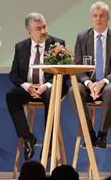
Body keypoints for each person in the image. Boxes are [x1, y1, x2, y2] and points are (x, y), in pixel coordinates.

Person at [68, 1, 111, 149]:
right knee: (73, 90)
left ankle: (102, 135)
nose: (98, 19)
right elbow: (78, 66)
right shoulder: (83, 36)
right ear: (91, 18)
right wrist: (89, 84)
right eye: (95, 16)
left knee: (110, 90)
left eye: (101, 15)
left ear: (108, 17)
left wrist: (103, 82)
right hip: (89, 84)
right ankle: (90, 134)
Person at [6, 12, 67, 161]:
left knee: (49, 96)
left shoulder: (57, 44)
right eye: (39, 28)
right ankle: (28, 138)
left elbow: (63, 73)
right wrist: (27, 87)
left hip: (50, 87)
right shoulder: (20, 47)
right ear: (29, 31)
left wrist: (45, 86)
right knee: (11, 96)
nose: (44, 31)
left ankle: (49, 143)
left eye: (44, 26)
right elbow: (13, 74)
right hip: (29, 88)